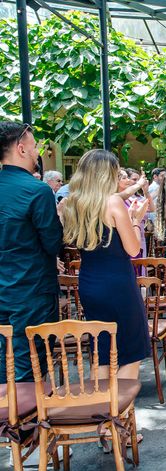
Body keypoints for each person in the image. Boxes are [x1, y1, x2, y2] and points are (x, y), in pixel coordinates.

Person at [62, 149, 150, 380]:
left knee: (101, 351)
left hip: (90, 284)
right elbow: (133, 249)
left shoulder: (74, 203)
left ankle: (98, 411)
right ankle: (117, 411)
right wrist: (135, 221)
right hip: (118, 284)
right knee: (131, 351)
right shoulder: (112, 203)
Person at [0, 122, 63, 383]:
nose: (38, 151)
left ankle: (8, 419)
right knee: (31, 362)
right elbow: (53, 243)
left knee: (4, 362)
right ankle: (25, 423)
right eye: (35, 145)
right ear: (21, 148)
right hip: (31, 289)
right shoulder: (37, 191)